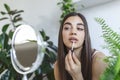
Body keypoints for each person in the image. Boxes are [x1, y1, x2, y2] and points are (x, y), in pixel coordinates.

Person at [54, 12, 107, 80]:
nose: (73, 32)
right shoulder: (58, 66)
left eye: (79, 28)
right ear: (61, 34)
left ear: (85, 35)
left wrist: (77, 75)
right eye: (67, 28)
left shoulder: (99, 60)